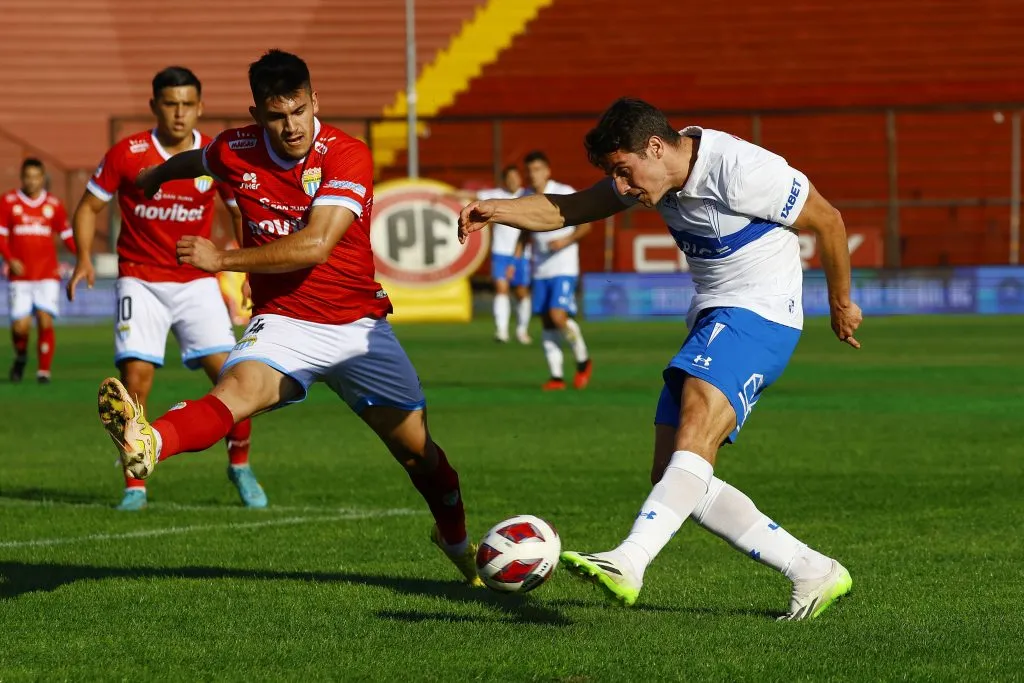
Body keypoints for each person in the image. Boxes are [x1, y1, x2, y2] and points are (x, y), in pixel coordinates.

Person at [458, 98, 863, 620]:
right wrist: (498, 209)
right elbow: (569, 208)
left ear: (654, 147)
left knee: (694, 429)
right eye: (614, 176)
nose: (622, 188)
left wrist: (840, 303)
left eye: (623, 173)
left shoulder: (739, 169)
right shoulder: (655, 178)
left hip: (761, 313)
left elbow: (828, 219)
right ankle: (810, 569)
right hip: (713, 317)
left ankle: (630, 560)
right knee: (670, 472)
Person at [96, 49, 482, 586]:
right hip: (284, 323)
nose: (291, 126)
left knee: (421, 458)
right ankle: (149, 443)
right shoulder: (236, 149)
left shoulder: (347, 155)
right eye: (277, 116)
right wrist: (156, 175)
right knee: (232, 396)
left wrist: (222, 260)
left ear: (314, 101)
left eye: (298, 110)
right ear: (257, 115)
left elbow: (317, 245)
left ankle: (457, 543)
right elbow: (200, 160)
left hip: (358, 330)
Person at [67, 66, 266, 511]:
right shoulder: (128, 152)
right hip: (140, 278)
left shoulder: (214, 156)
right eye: (171, 104)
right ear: (154, 105)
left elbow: (239, 213)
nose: (179, 113)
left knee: (235, 378)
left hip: (197, 281)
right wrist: (82, 257)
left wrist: (248, 267)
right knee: (135, 380)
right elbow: (87, 207)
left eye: (188, 104)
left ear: (200, 107)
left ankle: (240, 465)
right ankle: (135, 485)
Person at [521, 151, 592, 391]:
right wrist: (515, 259)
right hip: (540, 268)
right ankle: (556, 376)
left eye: (538, 170)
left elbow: (586, 224)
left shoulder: (562, 191)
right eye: (530, 171)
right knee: (547, 322)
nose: (533, 175)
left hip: (564, 266)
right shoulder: (526, 197)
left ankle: (582, 360)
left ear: (547, 171)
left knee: (558, 315)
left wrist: (566, 241)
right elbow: (522, 230)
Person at [0, 158, 75, 383]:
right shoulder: (8, 201)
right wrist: (10, 259)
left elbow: (66, 235)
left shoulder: (54, 204)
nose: (32, 181)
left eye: (36, 177)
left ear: (42, 178)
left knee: (45, 319)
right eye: (28, 177)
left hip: (47, 274)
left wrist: (81, 256)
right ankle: (21, 356)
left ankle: (44, 371)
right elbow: (2, 235)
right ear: (22, 178)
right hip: (20, 276)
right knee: (20, 327)